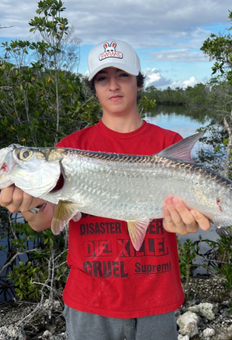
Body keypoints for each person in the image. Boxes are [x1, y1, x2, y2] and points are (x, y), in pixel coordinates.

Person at [0, 39, 210, 340]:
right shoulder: (71, 148)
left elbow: (193, 215)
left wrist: (190, 221)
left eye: (122, 75)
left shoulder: (168, 142)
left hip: (157, 299)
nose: (113, 85)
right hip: (89, 300)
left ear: (138, 82)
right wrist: (30, 204)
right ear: (93, 87)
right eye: (102, 78)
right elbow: (44, 220)